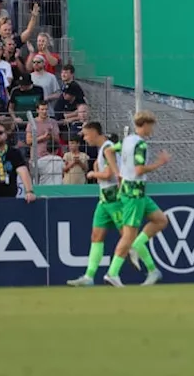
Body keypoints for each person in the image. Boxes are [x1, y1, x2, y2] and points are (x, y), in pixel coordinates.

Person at [67, 124, 145, 285]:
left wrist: (92, 173)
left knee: (128, 237)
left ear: (95, 133)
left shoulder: (107, 148)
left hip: (113, 198)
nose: (85, 139)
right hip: (104, 200)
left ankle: (151, 269)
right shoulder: (103, 149)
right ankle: (89, 277)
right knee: (97, 236)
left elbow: (110, 175)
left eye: (87, 135)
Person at [104, 111, 171, 287]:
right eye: (151, 125)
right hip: (134, 193)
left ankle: (150, 267)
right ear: (146, 124)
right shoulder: (140, 144)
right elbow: (140, 170)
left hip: (135, 191)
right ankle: (112, 272)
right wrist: (160, 163)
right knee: (128, 236)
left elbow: (109, 151)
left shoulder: (127, 140)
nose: (152, 129)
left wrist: (118, 172)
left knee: (161, 220)